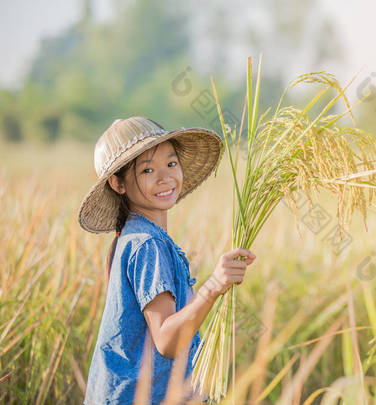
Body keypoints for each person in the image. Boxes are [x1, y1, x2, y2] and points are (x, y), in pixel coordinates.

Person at [78, 116, 256, 404]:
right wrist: (214, 285)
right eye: (147, 169)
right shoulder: (147, 244)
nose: (164, 177)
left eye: (171, 164)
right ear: (118, 184)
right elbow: (167, 340)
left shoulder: (131, 237)